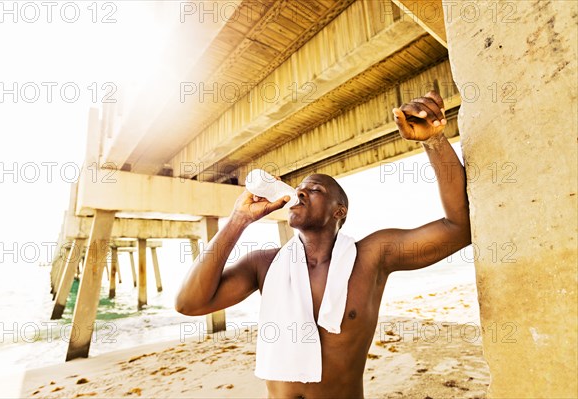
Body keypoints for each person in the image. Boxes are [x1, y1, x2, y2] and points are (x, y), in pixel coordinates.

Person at [175, 91, 471, 398]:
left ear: (338, 211)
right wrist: (238, 220)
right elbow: (189, 304)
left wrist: (434, 142)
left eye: (314, 189)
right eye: (299, 189)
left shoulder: (372, 256)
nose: (299, 193)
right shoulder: (263, 265)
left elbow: (459, 229)